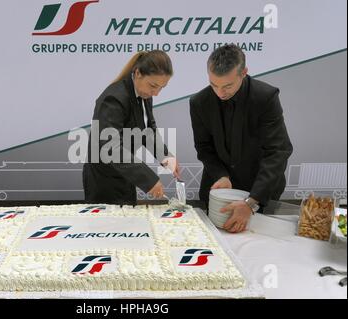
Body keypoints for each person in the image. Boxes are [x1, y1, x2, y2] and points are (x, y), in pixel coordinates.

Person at [189, 44, 293, 233]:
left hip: (260, 189)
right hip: (218, 189)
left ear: (243, 72)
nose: (220, 92)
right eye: (214, 84)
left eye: (227, 85)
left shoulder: (265, 97)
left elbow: (278, 151)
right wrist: (221, 174)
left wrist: (252, 202)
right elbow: (204, 147)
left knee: (259, 249)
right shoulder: (199, 102)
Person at [83, 50, 180, 205]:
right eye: (153, 86)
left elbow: (148, 130)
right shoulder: (113, 99)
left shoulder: (144, 94)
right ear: (138, 73)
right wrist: (148, 179)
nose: (156, 93)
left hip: (127, 174)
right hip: (105, 181)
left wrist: (165, 156)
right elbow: (111, 147)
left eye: (162, 87)